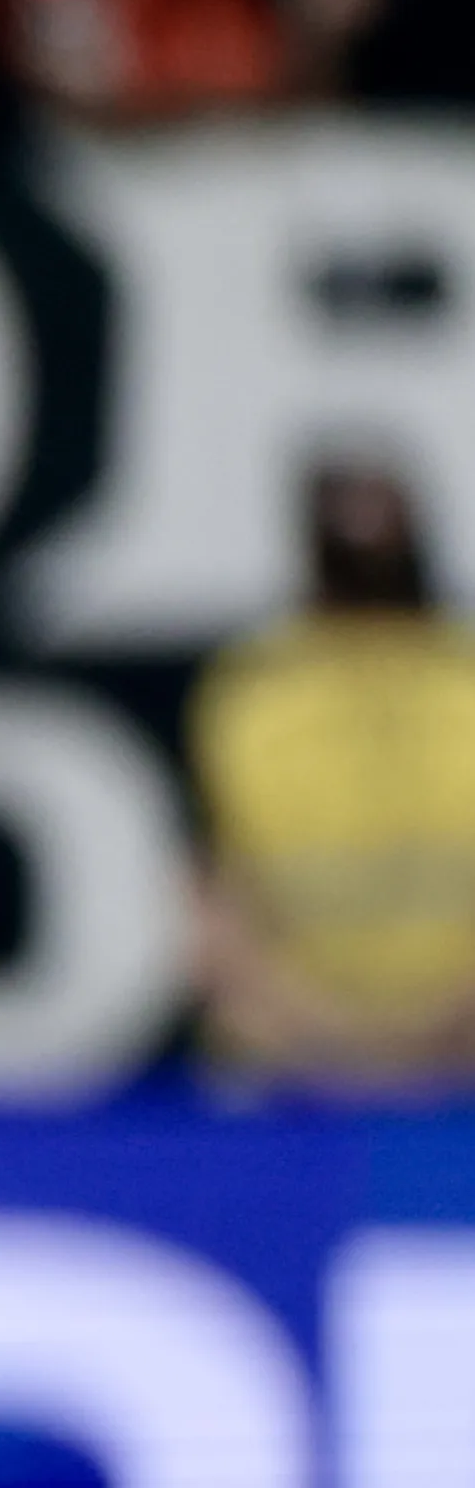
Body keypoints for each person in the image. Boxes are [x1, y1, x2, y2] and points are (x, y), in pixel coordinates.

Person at [190, 457, 475, 1087]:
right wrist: (310, 1030)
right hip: (295, 1066)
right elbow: (215, 896)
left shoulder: (463, 678)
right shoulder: (253, 693)